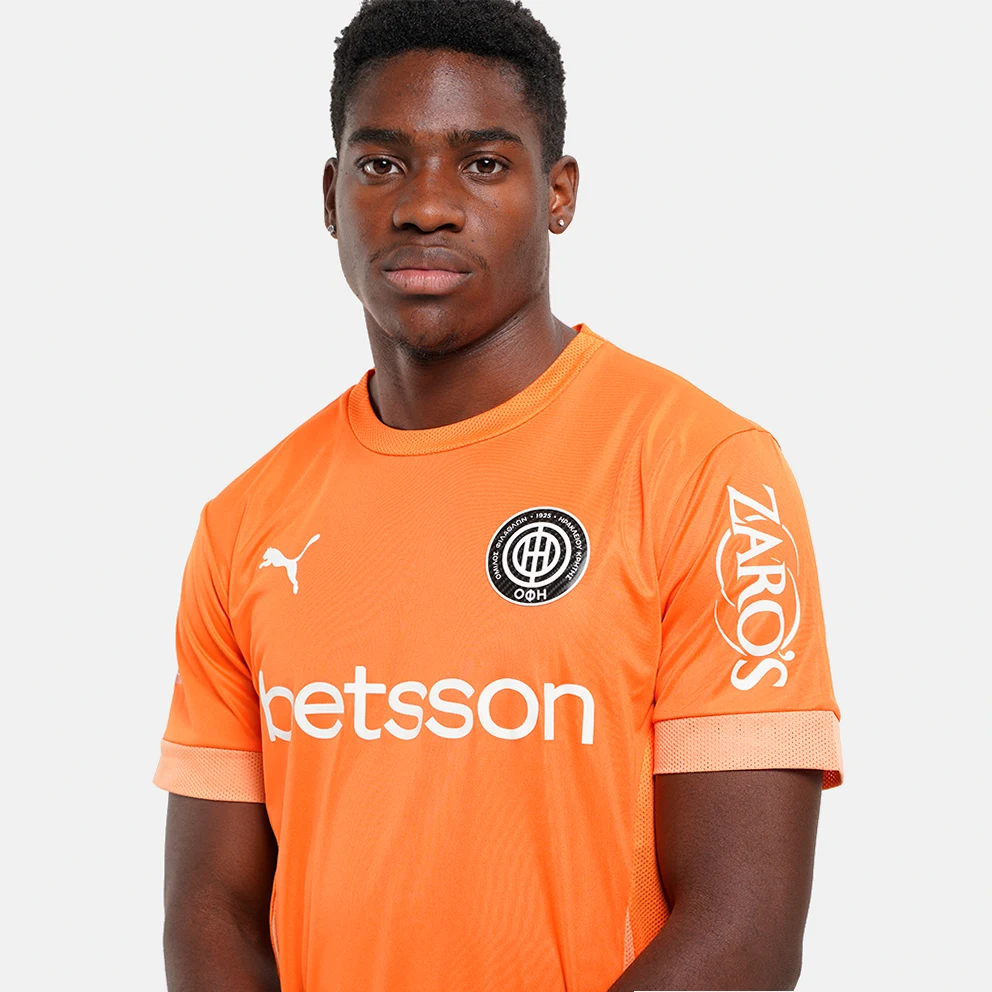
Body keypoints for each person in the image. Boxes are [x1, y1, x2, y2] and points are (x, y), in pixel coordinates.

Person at [152, 1, 843, 989]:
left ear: (557, 193)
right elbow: (211, 909)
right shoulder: (245, 522)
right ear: (330, 195)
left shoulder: (705, 471)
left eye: (482, 163)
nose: (425, 205)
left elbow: (744, 929)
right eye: (380, 163)